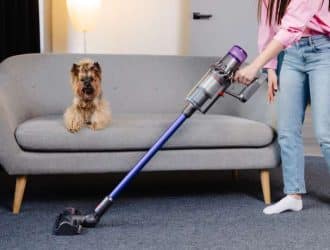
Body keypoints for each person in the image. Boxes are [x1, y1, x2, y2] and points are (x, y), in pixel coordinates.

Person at [234, 0, 330, 214]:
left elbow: (292, 27)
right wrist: (269, 69)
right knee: (287, 130)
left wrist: (255, 66)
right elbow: (267, 26)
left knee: (325, 133)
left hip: (324, 51)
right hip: (292, 55)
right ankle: (293, 195)